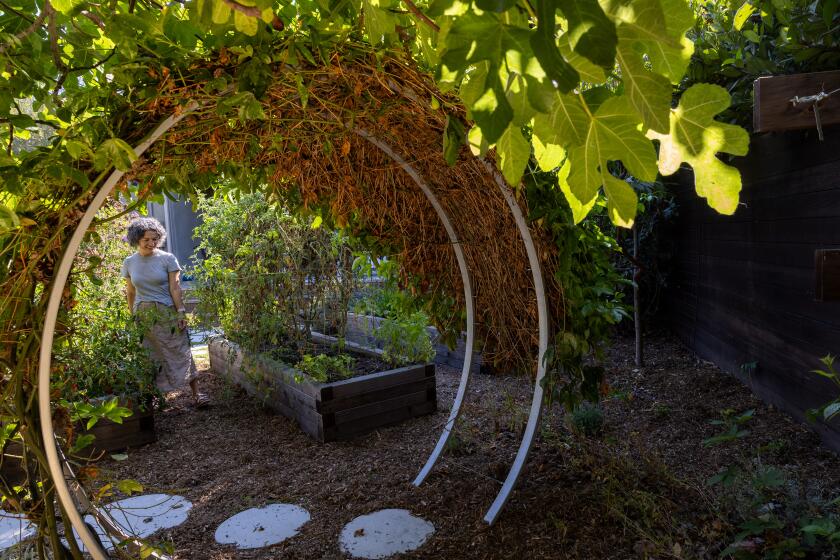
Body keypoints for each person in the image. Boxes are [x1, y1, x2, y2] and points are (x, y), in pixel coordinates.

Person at [122, 216, 209, 407]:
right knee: (149, 355)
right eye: (146, 239)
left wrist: (180, 311)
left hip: (166, 312)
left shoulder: (168, 259)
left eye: (155, 239)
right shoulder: (129, 262)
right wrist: (132, 316)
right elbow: (130, 291)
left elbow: (175, 288)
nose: (151, 243)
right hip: (143, 315)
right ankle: (155, 398)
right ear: (136, 239)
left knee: (180, 349)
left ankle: (197, 394)